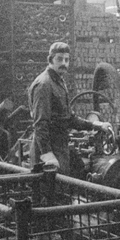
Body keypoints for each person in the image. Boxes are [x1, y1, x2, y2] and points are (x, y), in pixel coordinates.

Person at [27, 42, 111, 175]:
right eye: (59, 59)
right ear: (50, 60)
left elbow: (69, 118)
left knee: (76, 173)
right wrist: (47, 154)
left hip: (60, 147)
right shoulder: (44, 84)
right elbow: (40, 123)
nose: (64, 63)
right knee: (53, 191)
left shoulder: (59, 82)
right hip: (49, 152)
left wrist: (95, 125)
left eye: (67, 60)